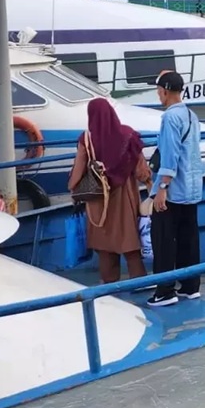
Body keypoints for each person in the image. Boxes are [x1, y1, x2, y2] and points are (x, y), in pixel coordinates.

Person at [69, 99, 152, 285]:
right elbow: (141, 170)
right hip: (125, 197)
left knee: (104, 245)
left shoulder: (86, 139)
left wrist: (73, 188)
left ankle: (110, 284)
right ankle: (139, 282)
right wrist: (148, 182)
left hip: (99, 200)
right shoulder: (128, 135)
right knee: (129, 242)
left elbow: (78, 171)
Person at [147, 71, 204, 308]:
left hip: (173, 189)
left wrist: (162, 187)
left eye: (159, 90)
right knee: (188, 238)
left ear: (165, 91)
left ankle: (165, 291)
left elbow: (170, 155)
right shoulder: (191, 115)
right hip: (192, 189)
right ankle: (191, 286)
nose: (158, 95)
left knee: (163, 240)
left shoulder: (170, 118)